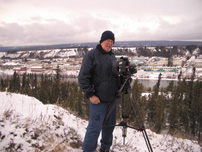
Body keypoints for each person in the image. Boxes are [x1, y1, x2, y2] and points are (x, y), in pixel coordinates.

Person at [78, 30, 120, 152]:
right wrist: (91, 94)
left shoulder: (112, 56)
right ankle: (88, 150)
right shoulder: (92, 55)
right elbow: (83, 77)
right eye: (107, 41)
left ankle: (105, 148)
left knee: (109, 127)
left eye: (112, 41)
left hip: (112, 99)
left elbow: (114, 77)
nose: (110, 43)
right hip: (98, 100)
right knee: (95, 127)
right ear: (102, 41)